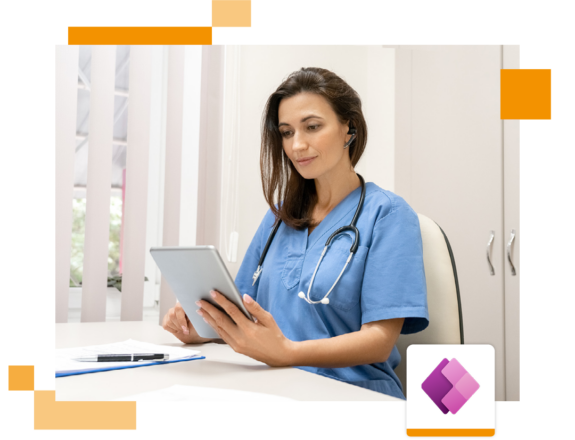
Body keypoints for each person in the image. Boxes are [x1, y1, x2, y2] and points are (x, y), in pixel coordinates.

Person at [162, 67, 429, 400]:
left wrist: (288, 352)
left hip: (353, 392)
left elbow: (379, 341)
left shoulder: (387, 214)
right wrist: (202, 329)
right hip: (276, 386)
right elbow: (245, 318)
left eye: (313, 127)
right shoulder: (279, 217)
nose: (297, 145)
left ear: (349, 128)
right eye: (287, 132)